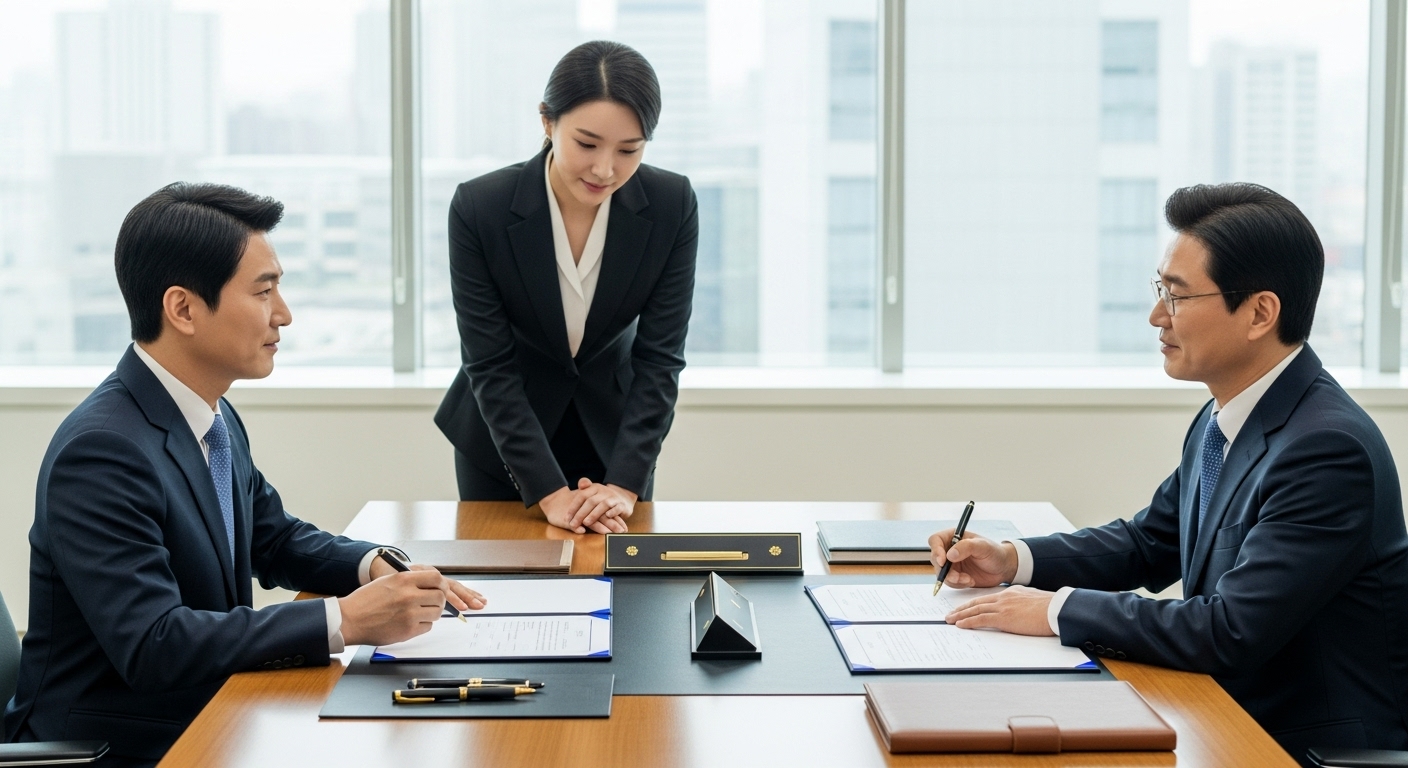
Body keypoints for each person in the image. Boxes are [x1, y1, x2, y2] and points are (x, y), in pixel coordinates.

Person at [2, 183, 486, 767]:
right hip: (123, 746)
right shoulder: (101, 451)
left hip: (212, 713)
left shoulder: (212, 414)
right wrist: (347, 618)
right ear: (183, 309)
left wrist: (373, 563)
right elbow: (155, 644)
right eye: (263, 291)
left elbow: (272, 537)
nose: (284, 314)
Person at [930, 183, 1408, 764]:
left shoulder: (1326, 449)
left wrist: (1054, 609)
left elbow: (1230, 631)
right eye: (1160, 291)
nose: (1157, 316)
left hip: (1294, 747)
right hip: (1219, 717)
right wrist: (1011, 561)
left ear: (1260, 313)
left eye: (1177, 296)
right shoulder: (1223, 417)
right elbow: (1149, 542)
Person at [434, 40, 697, 535]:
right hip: (506, 443)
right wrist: (549, 494)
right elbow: (489, 363)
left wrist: (624, 484)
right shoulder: (480, 207)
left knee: (617, 578)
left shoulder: (672, 203)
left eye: (629, 150)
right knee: (505, 577)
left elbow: (660, 358)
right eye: (587, 144)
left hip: (616, 445)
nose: (605, 169)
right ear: (547, 122)